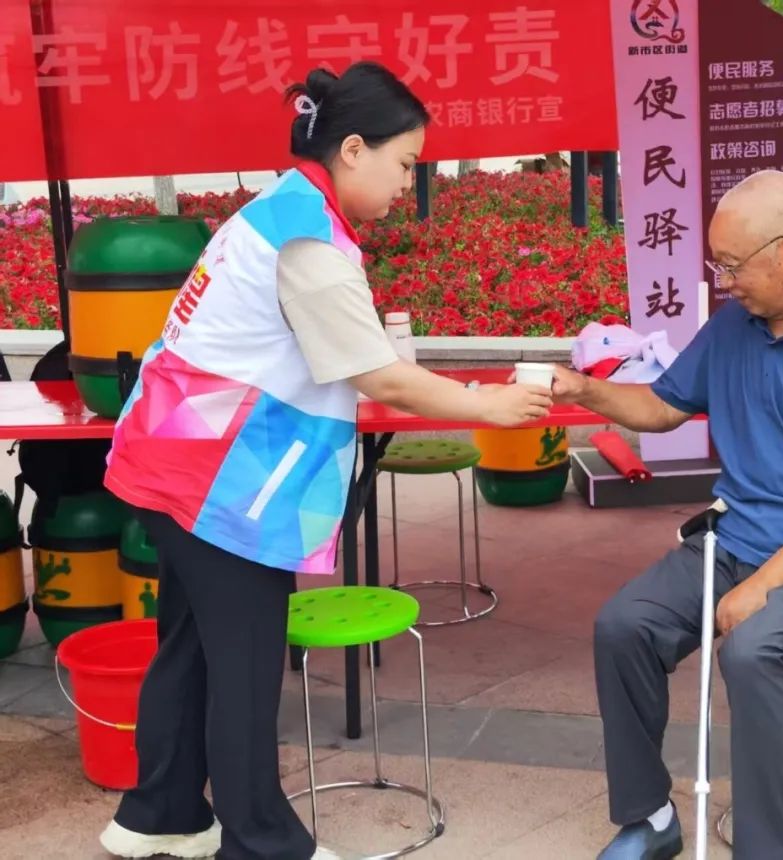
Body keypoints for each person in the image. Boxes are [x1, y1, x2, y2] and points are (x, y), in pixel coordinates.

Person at [98, 62, 553, 860]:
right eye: (404, 163)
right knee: (244, 668)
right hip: (220, 482)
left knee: (192, 648)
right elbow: (379, 375)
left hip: (174, 457)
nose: (407, 183)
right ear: (351, 149)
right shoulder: (307, 240)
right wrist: (487, 404)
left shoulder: (280, 210)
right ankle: (262, 843)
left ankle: (158, 813)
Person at [552, 170, 783, 860]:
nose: (724, 282)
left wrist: (765, 586)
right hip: (736, 540)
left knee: (754, 651)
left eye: (732, 265)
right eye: (717, 266)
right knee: (623, 626)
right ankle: (649, 818)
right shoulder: (733, 327)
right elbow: (662, 406)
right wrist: (582, 391)